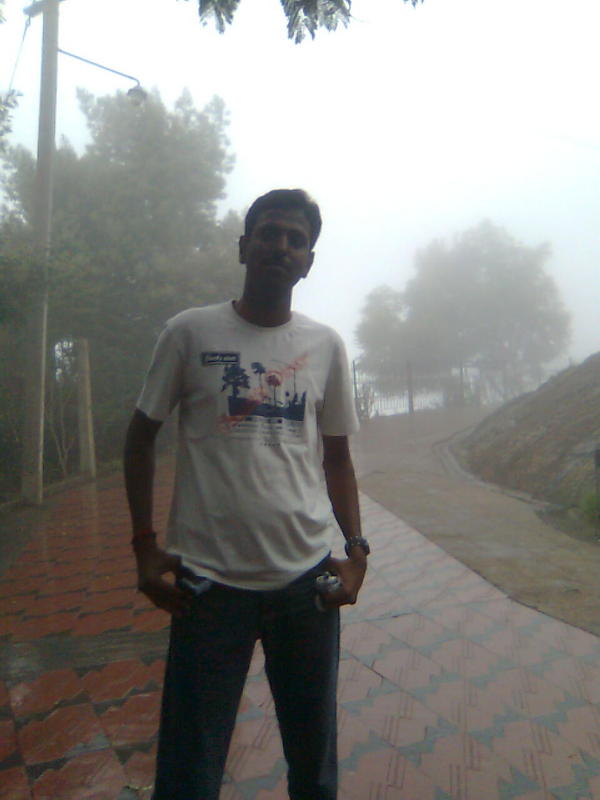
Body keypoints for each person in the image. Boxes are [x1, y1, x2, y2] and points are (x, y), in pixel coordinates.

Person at [123, 188, 369, 800]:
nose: (281, 246)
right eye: (269, 233)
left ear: (308, 261)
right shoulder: (189, 332)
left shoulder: (325, 346)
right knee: (189, 773)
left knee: (314, 770)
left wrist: (357, 553)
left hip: (306, 588)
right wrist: (144, 547)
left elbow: (337, 459)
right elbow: (140, 438)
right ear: (243, 246)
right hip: (208, 588)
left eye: (296, 240)